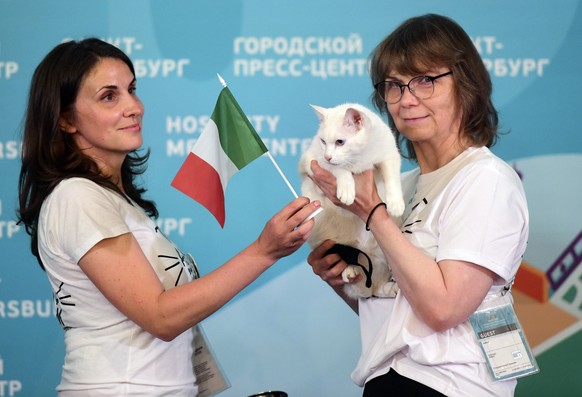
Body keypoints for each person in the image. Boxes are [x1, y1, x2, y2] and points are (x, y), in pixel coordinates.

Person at [17, 38, 319, 396]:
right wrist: (263, 251)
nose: (134, 107)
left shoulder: (113, 200)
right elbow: (160, 317)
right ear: (66, 119)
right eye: (109, 96)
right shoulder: (77, 196)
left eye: (132, 90)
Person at [307, 14, 529, 397]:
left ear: (466, 83)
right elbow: (399, 315)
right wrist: (346, 280)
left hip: (450, 385)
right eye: (394, 86)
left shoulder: (485, 180)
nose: (407, 99)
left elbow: (443, 309)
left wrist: (372, 213)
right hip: (389, 378)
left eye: (425, 80)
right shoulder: (402, 186)